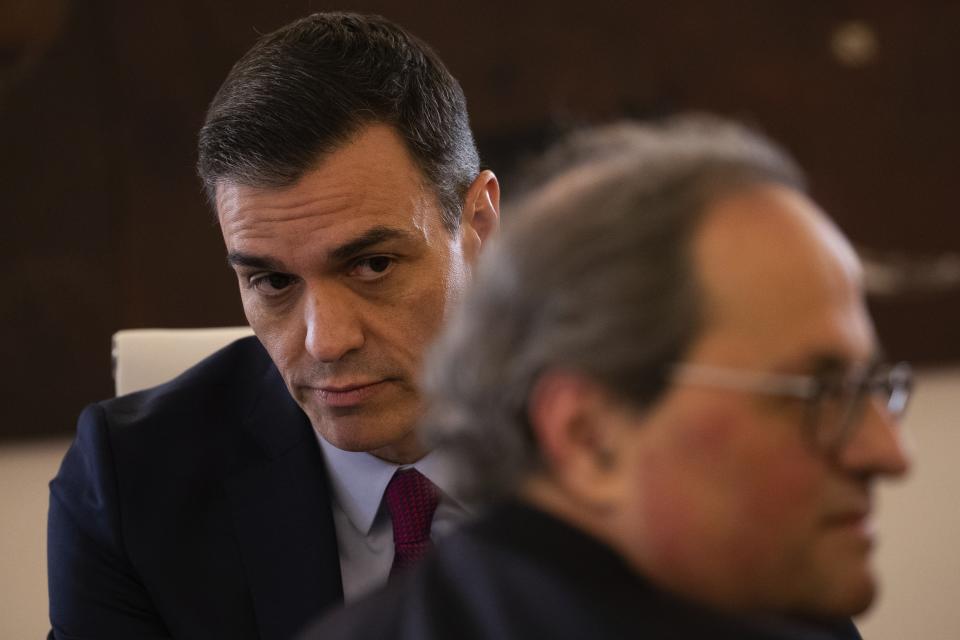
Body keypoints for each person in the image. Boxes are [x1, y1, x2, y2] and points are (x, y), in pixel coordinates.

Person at [301, 116, 911, 640]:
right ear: (589, 436)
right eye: (816, 395)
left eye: (870, 387)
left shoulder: (775, 601)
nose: (888, 452)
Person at [47, 12, 499, 640]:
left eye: (373, 264)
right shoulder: (132, 483)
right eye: (274, 282)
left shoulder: (642, 437)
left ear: (478, 225)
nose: (325, 340)